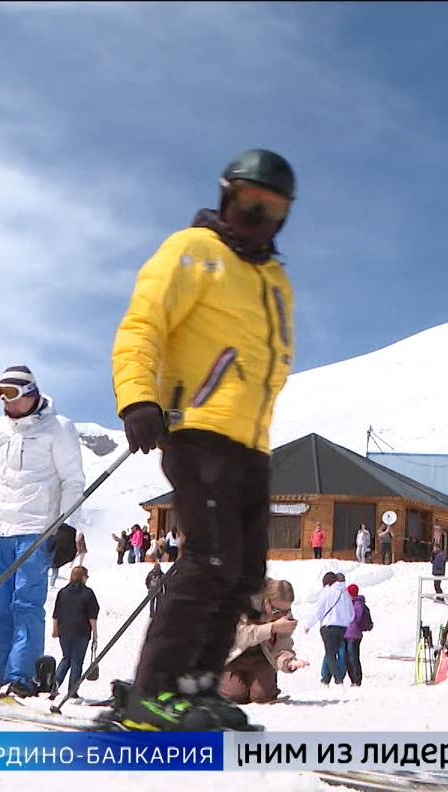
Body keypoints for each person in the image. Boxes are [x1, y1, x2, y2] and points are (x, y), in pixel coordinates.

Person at [109, 148, 297, 731]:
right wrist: (139, 396)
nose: (256, 217)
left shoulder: (273, 279)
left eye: (271, 209)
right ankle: (153, 692)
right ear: (225, 196)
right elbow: (144, 324)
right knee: (209, 558)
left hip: (251, 445)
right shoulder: (194, 251)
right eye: (247, 202)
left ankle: (194, 687)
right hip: (198, 430)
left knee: (243, 574)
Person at [0, 365, 86, 697]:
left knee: (26, 605)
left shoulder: (59, 428)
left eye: (11, 393)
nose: (4, 401)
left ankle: (21, 676)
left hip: (36, 528)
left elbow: (72, 481)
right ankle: (0, 674)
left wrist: (67, 526)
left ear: (30, 392)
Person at [220, 579, 308, 704]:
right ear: (266, 602)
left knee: (262, 697)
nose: (282, 616)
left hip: (262, 659)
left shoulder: (284, 616)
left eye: (286, 611)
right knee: (234, 695)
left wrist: (288, 662)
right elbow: (239, 636)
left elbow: (282, 645)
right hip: (234, 658)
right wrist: (272, 628)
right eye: (277, 611)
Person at [50, 566, 99, 700]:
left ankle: (55, 684)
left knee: (66, 658)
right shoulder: (88, 593)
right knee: (77, 661)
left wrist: (55, 630)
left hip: (64, 631)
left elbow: (56, 613)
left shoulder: (63, 592)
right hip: (81, 632)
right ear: (83, 577)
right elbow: (92, 616)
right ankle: (72, 691)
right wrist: (95, 634)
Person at [303, 572, 353, 686]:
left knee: (330, 654)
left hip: (329, 627)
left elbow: (318, 611)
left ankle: (338, 679)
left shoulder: (327, 592)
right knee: (337, 652)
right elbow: (351, 613)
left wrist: (308, 625)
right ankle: (326, 680)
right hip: (343, 628)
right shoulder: (345, 593)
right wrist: (346, 622)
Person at [343, 583, 373, 687]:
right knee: (347, 657)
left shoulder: (357, 604)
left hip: (354, 635)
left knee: (353, 657)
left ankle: (357, 679)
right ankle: (352, 679)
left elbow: (357, 618)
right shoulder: (348, 603)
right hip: (346, 634)